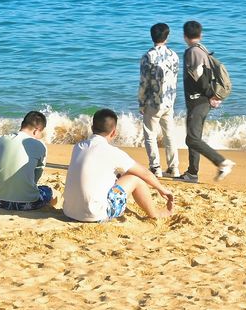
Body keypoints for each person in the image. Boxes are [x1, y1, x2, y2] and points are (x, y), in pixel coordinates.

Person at [63, 108, 174, 222]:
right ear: (114, 132)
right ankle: (154, 213)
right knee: (135, 179)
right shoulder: (113, 152)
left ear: (92, 128)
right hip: (96, 215)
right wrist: (162, 190)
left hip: (68, 212)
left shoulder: (78, 146)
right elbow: (145, 173)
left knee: (120, 174)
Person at [179, 20, 235, 183]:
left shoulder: (192, 52)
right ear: (200, 34)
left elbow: (200, 77)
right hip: (200, 101)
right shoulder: (202, 50)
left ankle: (222, 162)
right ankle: (192, 173)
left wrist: (211, 95)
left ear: (184, 36)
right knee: (194, 136)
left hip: (199, 101)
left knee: (192, 139)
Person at [0, 111, 54, 211]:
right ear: (36, 131)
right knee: (48, 190)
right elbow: (35, 178)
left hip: (0, 202)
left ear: (23, 124)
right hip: (29, 203)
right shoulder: (41, 146)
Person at [138, 22, 180, 178]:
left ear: (151, 37)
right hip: (169, 100)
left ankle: (155, 167)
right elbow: (174, 78)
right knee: (169, 134)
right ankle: (174, 167)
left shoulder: (148, 56)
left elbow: (144, 82)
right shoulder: (174, 55)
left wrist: (141, 102)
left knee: (150, 134)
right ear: (167, 37)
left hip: (154, 101)